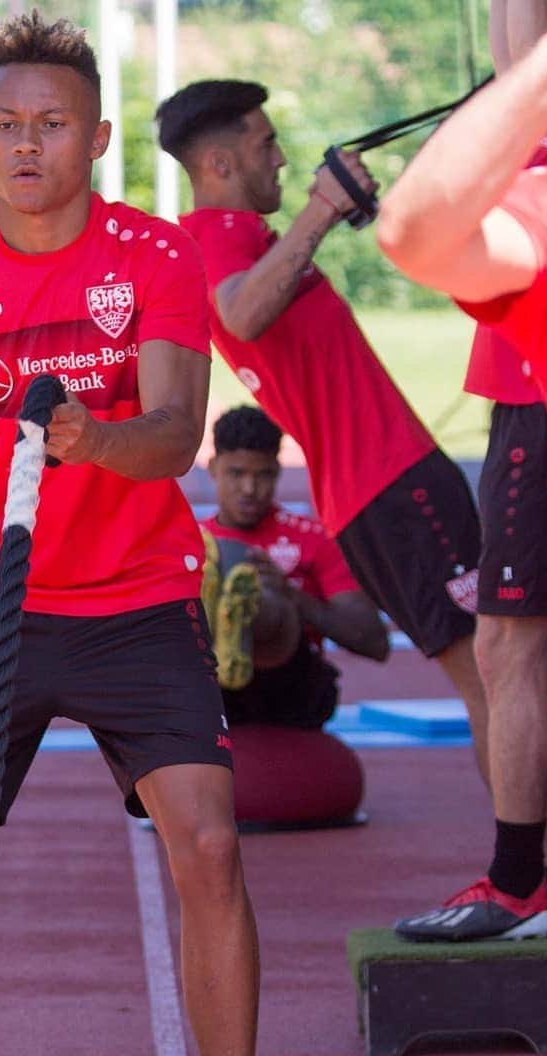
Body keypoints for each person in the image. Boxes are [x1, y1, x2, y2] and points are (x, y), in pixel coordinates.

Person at [0, 12, 259, 1056]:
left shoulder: (156, 256)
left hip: (135, 608)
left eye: (53, 124)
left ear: (100, 137)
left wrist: (96, 437)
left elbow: (176, 438)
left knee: (209, 848)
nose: (28, 145)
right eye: (5, 125)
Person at [154, 77, 497, 848]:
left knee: (513, 671)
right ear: (218, 161)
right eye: (264, 144)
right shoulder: (215, 243)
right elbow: (240, 309)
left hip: (382, 488)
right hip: (395, 484)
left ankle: (535, 870)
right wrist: (322, 208)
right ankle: (532, 872)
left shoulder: (241, 238)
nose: (280, 158)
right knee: (498, 681)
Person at [376, 5, 547, 940]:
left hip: (533, 391)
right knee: (510, 649)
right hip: (524, 380)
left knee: (508, 648)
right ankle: (537, 873)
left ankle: (526, 878)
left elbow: (527, 68)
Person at [201, 406, 388, 727]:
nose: (249, 489)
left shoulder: (314, 539)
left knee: (266, 601)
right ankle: (227, 615)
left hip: (290, 688)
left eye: (262, 475)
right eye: (236, 473)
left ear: (277, 470)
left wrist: (292, 594)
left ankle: (250, 608)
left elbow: (374, 642)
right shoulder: (191, 542)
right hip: (210, 690)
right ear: (214, 468)